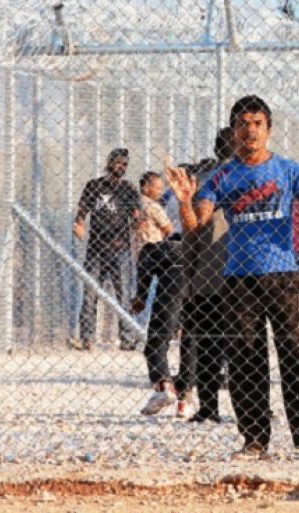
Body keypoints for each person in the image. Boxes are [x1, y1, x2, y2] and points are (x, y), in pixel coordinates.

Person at [165, 95, 299, 459]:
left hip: (282, 274)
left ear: (269, 129)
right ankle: (255, 439)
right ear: (233, 131)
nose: (250, 131)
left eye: (257, 124)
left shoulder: (289, 170)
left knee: (297, 356)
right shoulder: (222, 176)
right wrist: (184, 200)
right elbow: (196, 224)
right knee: (246, 360)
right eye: (243, 124)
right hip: (239, 279)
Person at [180, 128, 236, 423]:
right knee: (244, 349)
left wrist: (189, 275)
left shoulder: (201, 182)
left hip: (208, 274)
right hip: (242, 276)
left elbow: (191, 236)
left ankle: (209, 408)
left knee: (206, 346)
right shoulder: (253, 177)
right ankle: (253, 412)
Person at [72, 148, 142, 351]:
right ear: (109, 162)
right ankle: (87, 338)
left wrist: (138, 222)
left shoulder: (128, 189)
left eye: (125, 164)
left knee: (124, 295)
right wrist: (79, 224)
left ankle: (127, 340)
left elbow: (136, 215)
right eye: (118, 162)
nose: (121, 167)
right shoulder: (94, 186)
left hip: (120, 249)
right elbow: (82, 210)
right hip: (96, 249)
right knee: (90, 294)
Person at [131, 234, 186, 415]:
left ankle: (164, 387)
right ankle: (185, 401)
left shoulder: (156, 249)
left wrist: (141, 296)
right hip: (200, 288)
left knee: (156, 342)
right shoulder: (202, 245)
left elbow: (145, 261)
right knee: (192, 343)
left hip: (171, 288)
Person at [133, 172, 174, 261]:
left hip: (138, 251)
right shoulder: (153, 206)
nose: (160, 192)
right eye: (158, 188)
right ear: (146, 188)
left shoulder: (135, 202)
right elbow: (169, 229)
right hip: (154, 250)